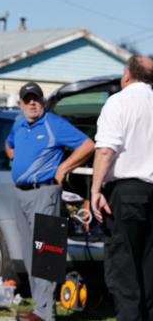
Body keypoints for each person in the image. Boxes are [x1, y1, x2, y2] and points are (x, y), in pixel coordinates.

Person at [4, 82, 94, 321]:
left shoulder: (53, 124)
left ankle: (47, 313)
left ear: (42, 101)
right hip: (20, 193)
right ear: (21, 103)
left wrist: (64, 167)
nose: (32, 103)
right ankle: (40, 309)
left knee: (46, 253)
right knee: (29, 254)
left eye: (36, 98)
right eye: (28, 99)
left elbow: (87, 145)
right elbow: (8, 143)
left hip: (45, 192)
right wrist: (15, 158)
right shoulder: (18, 123)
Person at [90, 55, 153, 321]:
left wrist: (95, 191)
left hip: (127, 194)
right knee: (150, 271)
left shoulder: (118, 102)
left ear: (126, 74)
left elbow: (106, 150)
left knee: (124, 271)